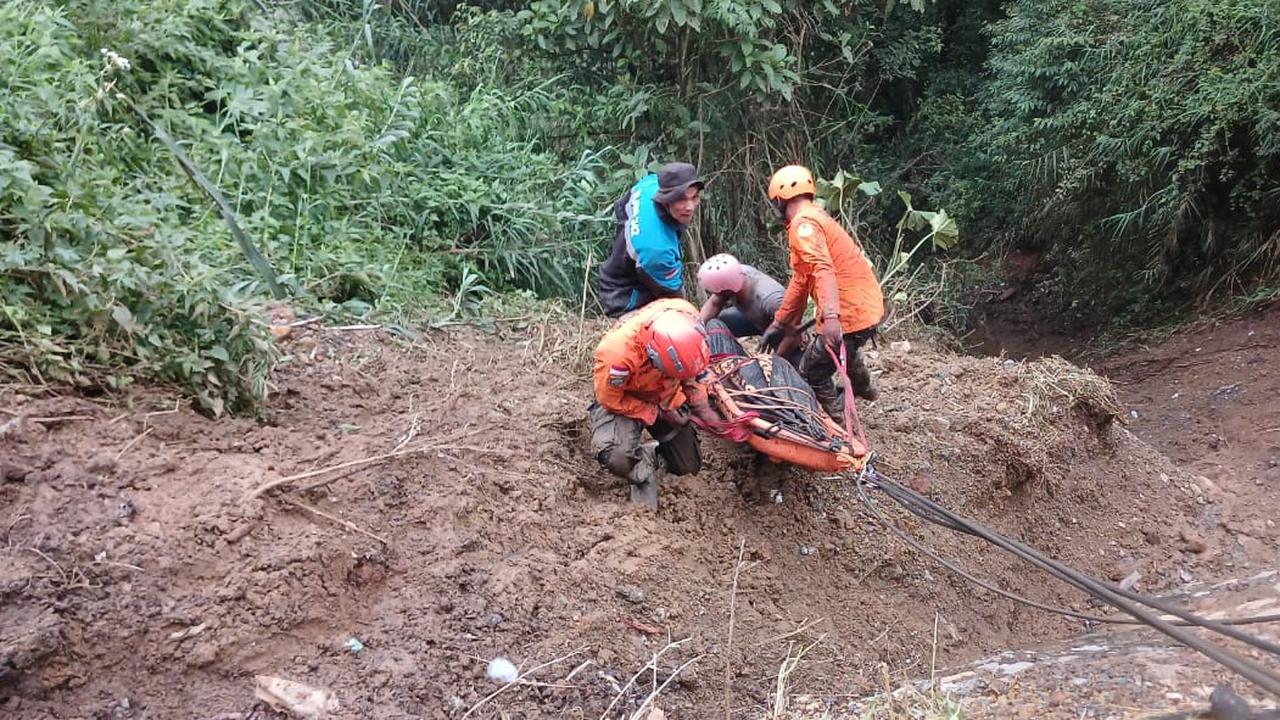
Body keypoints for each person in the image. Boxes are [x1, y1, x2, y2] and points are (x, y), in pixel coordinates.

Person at [759, 165, 884, 419]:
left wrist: (831, 318)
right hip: (865, 308)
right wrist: (779, 322)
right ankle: (865, 388)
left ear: (780, 200)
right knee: (845, 349)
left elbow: (822, 269)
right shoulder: (816, 217)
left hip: (848, 312)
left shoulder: (803, 225)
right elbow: (801, 279)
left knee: (812, 372)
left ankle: (839, 420)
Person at [588, 298, 721, 508]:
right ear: (654, 358)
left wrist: (702, 408)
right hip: (625, 400)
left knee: (687, 467)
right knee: (617, 458)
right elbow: (610, 399)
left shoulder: (686, 316)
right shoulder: (617, 355)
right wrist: (656, 413)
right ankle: (640, 470)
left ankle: (652, 453)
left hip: (665, 393)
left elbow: (693, 375)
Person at [597, 162, 704, 318]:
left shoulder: (650, 184)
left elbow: (622, 208)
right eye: (681, 199)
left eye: (694, 197)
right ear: (666, 199)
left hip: (623, 266)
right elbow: (675, 301)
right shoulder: (657, 250)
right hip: (624, 297)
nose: (690, 207)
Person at [695, 253, 804, 366]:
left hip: (784, 332)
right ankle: (735, 358)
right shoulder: (732, 276)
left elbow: (793, 335)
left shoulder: (771, 299)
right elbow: (714, 304)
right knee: (718, 322)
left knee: (795, 367)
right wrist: (697, 329)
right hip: (756, 321)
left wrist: (774, 362)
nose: (716, 295)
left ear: (726, 291)